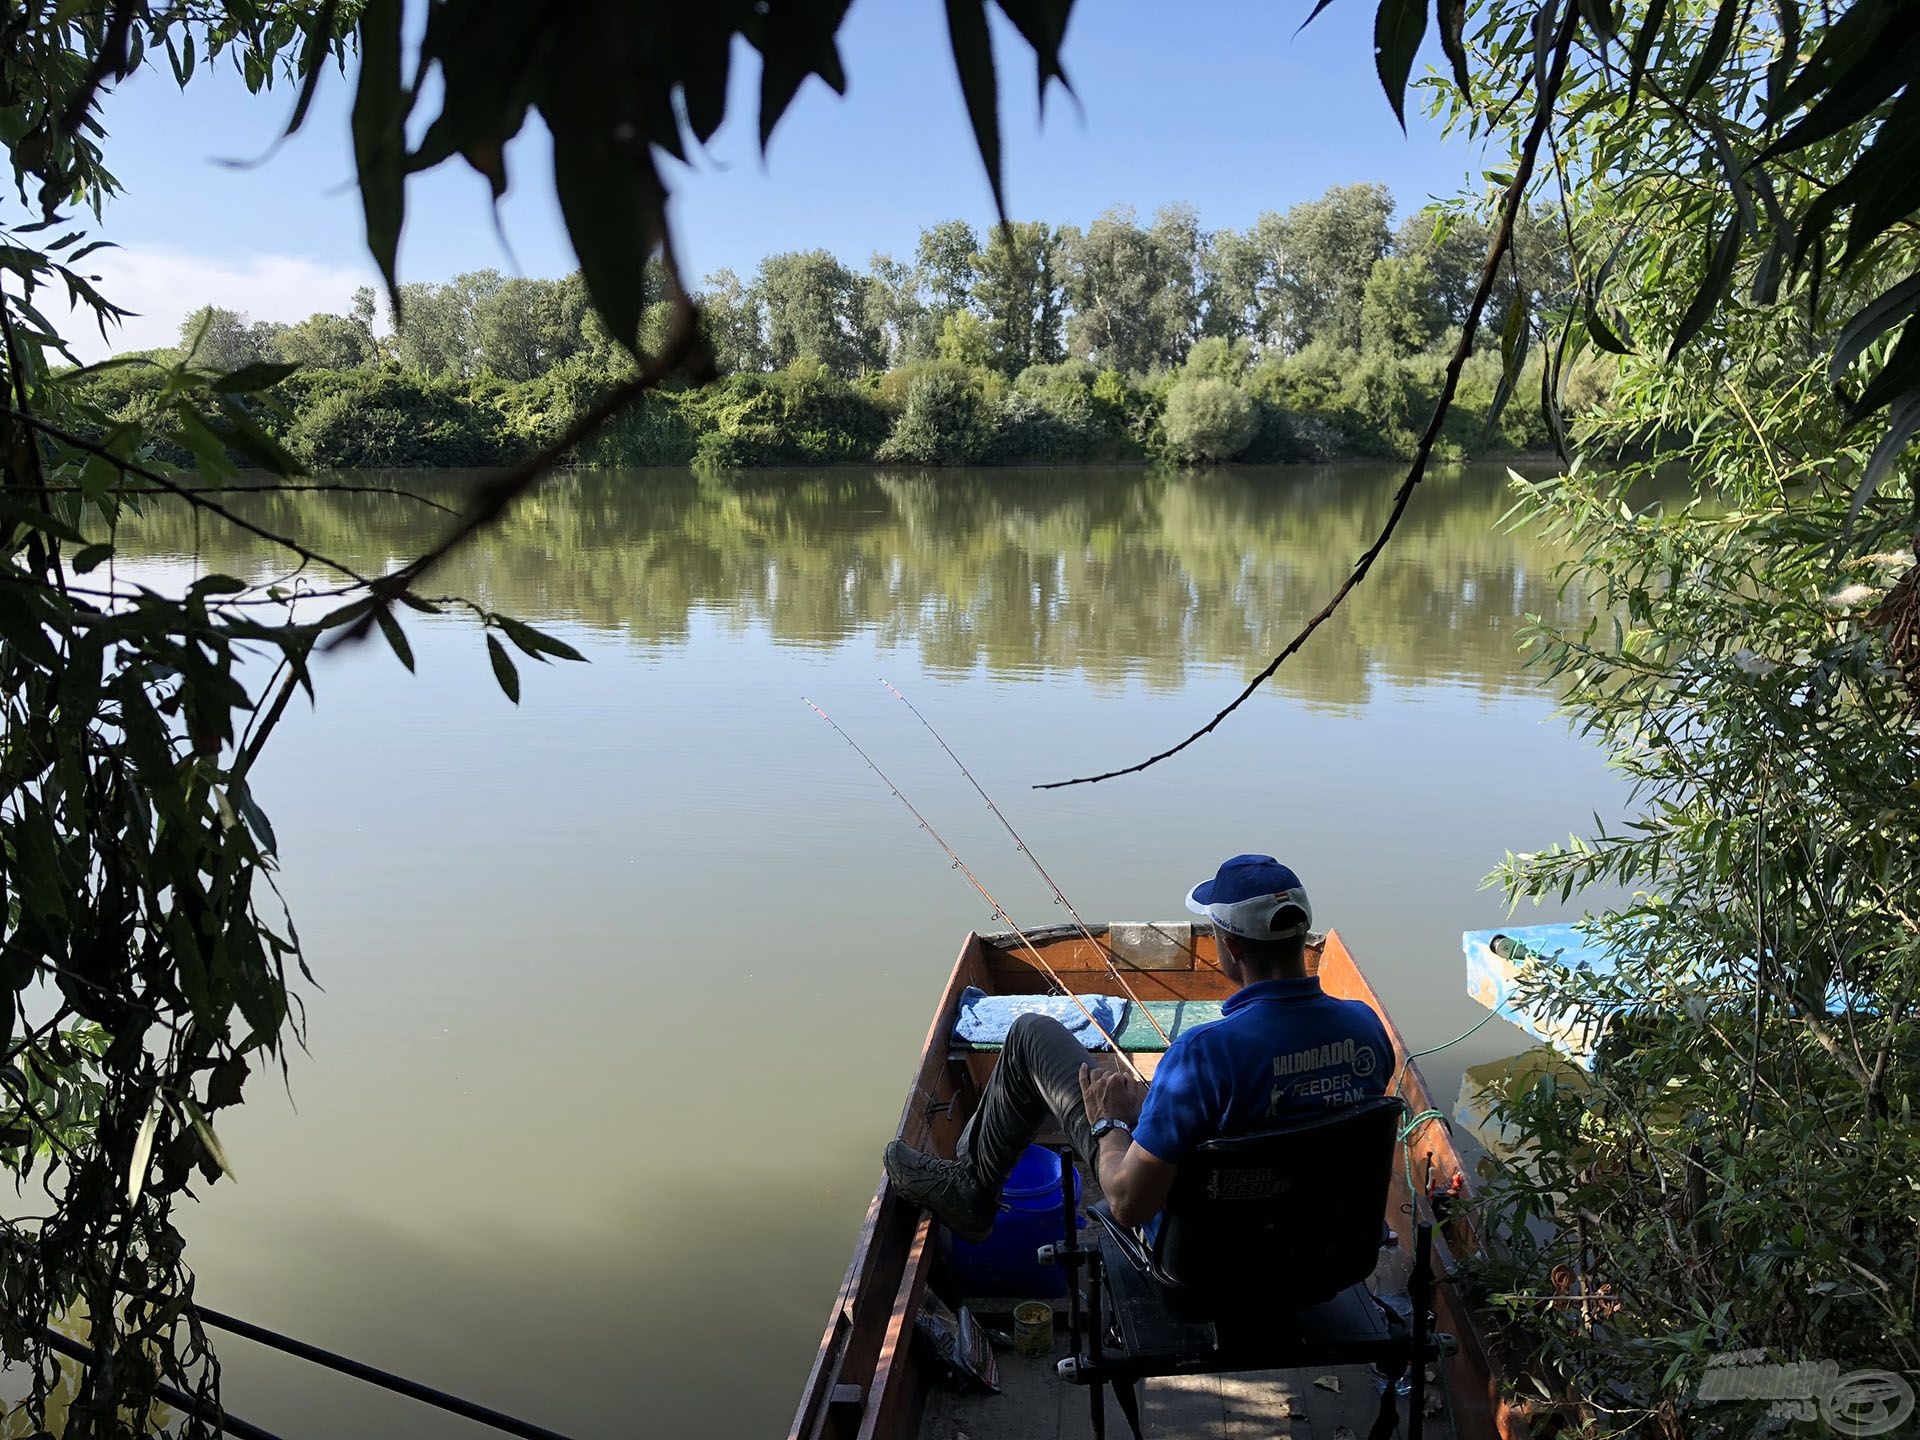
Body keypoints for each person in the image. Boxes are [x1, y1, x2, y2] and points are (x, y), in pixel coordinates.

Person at [883, 854, 1395, 1240]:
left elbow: (1128, 1204)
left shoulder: (1202, 1055)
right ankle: (973, 1178)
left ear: (1231, 946)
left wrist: (1113, 1124)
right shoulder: (1366, 1029)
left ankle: (971, 1190)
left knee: (1030, 1035)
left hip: (1206, 1261)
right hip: (1316, 1251)